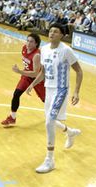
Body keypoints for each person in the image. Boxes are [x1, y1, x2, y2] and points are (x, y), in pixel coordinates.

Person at [30, 23, 83, 174]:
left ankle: (50, 160)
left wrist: (76, 92)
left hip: (61, 89)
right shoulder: (44, 49)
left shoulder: (66, 50)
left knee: (48, 122)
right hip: (49, 88)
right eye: (51, 31)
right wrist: (32, 85)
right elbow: (43, 72)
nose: (52, 33)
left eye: (56, 31)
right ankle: (70, 132)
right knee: (50, 120)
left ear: (62, 35)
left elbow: (79, 71)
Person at [1, 32, 45, 127]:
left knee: (45, 100)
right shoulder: (24, 48)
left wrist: (19, 71)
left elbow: (35, 73)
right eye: (27, 41)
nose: (28, 43)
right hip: (26, 76)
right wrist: (22, 72)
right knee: (16, 94)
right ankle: (12, 117)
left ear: (36, 44)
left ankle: (55, 113)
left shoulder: (37, 55)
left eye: (31, 42)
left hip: (37, 79)